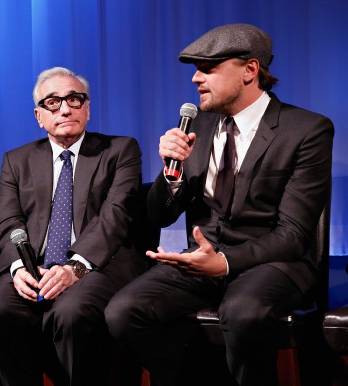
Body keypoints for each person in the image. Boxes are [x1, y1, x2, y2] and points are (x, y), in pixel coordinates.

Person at [105, 23, 334, 386]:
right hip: (203, 258)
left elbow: (293, 235)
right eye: (196, 69)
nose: (196, 79)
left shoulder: (307, 130)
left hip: (273, 262)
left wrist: (225, 262)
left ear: (250, 70)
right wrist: (171, 174)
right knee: (123, 311)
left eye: (208, 68)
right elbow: (160, 214)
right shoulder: (201, 125)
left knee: (242, 312)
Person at [0, 67, 150, 386]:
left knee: (69, 313)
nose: (65, 108)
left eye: (74, 99)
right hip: (37, 268)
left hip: (98, 266)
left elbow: (116, 216)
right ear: (39, 115)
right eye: (53, 102)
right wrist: (18, 268)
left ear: (88, 108)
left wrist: (75, 267)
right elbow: (8, 221)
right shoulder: (17, 159)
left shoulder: (120, 150)